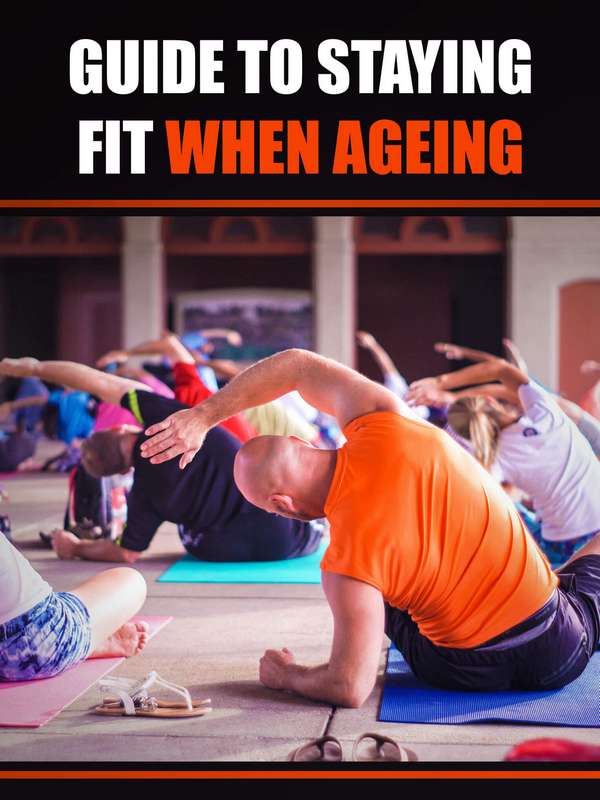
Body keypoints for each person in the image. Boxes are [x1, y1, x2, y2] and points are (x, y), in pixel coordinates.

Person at [138, 348, 600, 705]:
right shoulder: (387, 419)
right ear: (301, 442)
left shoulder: (346, 567)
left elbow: (348, 687)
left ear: (282, 503)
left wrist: (286, 676)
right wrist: (203, 416)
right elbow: (297, 364)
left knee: (379, 591)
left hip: (461, 671)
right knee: (579, 578)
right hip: (557, 647)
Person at [0, 356, 323, 565]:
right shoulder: (164, 419)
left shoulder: (142, 495)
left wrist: (74, 547)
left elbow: (126, 552)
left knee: (190, 536)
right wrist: (35, 368)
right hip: (292, 533)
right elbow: (99, 382)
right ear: (121, 428)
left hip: (228, 551)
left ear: (121, 471)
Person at [407, 351, 600, 566]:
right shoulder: (545, 412)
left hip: (565, 547)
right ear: (490, 400)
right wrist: (440, 384)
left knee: (507, 510)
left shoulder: (496, 458)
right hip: (595, 529)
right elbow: (501, 369)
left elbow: (483, 500)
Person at [0, 531, 148, 681]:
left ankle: (86, 640)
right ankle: (88, 640)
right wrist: (75, 547)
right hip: (40, 642)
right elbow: (128, 553)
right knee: (132, 579)